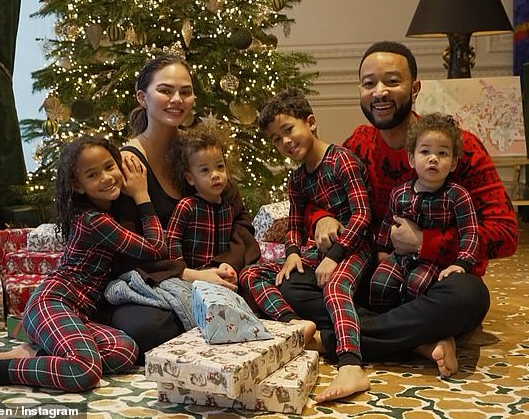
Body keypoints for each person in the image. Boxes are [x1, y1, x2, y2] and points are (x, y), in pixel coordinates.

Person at [279, 41, 518, 379]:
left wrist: (426, 243)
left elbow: (506, 233)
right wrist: (324, 217)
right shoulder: (358, 145)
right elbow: (319, 199)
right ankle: (418, 340)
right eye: (369, 83)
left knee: (469, 298)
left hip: (432, 281)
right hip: (374, 275)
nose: (380, 92)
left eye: (392, 81)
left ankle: (336, 340)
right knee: (294, 284)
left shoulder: (456, 148)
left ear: (415, 88)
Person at [0, 136, 167, 393]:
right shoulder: (94, 220)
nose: (106, 177)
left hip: (77, 312)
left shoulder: (104, 214)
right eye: (93, 174)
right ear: (78, 185)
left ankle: (29, 355)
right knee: (85, 370)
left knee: (125, 350)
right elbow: (155, 248)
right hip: (51, 303)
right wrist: (142, 195)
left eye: (110, 167)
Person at [108, 53, 258, 355]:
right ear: (142, 97)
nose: (177, 99)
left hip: (215, 272)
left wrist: (224, 266)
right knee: (145, 328)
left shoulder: (200, 152)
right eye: (165, 90)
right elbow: (124, 247)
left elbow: (240, 219)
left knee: (264, 295)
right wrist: (187, 275)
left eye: (185, 92)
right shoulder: (127, 164)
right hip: (156, 279)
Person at [239, 90, 372, 403]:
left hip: (355, 247)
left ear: (310, 123)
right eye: (275, 139)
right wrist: (293, 255)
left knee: (336, 289)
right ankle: (295, 327)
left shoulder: (342, 161)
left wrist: (335, 257)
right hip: (320, 250)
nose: (285, 142)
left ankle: (351, 364)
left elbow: (363, 215)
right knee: (252, 273)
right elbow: (295, 225)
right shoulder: (297, 178)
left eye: (288, 130)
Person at [370, 112, 479, 311]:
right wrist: (382, 251)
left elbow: (469, 233)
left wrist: (462, 263)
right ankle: (383, 319)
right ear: (412, 158)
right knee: (380, 283)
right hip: (399, 256)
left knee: (416, 286)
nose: (433, 159)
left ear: (454, 162)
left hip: (431, 261)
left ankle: (412, 325)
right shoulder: (400, 192)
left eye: (442, 153)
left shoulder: (457, 195)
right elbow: (388, 222)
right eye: (425, 152)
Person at [166, 123, 260, 284]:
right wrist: (181, 270)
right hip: (193, 277)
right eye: (205, 170)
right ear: (190, 178)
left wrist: (228, 268)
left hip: (221, 273)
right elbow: (172, 240)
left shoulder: (228, 207)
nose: (215, 175)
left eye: (219, 166)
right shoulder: (187, 206)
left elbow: (235, 243)